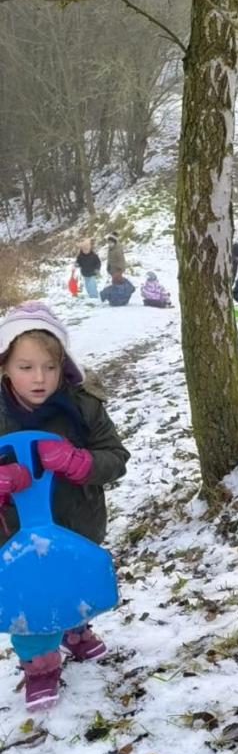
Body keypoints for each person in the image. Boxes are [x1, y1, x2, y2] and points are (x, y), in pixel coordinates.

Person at [0, 302, 129, 708]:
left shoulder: (83, 406)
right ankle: (39, 665)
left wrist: (82, 462)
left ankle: (75, 629)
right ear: (4, 366)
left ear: (63, 366)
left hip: (76, 521)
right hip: (16, 535)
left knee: (73, 581)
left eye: (50, 367)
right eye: (26, 367)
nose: (39, 378)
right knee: (31, 599)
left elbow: (116, 457)